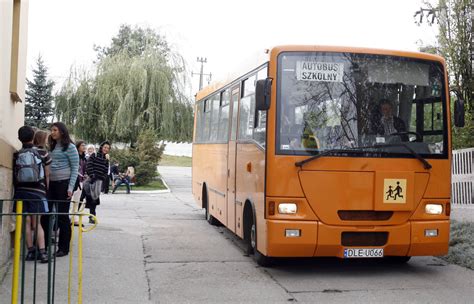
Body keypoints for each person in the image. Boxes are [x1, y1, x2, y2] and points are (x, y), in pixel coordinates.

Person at [13, 126, 51, 263]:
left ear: (19, 138)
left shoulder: (16, 154)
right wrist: (46, 190)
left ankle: (30, 251)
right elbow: (47, 174)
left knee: (26, 221)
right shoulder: (43, 153)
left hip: (21, 192)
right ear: (33, 136)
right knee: (38, 223)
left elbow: (15, 175)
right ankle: (42, 252)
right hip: (38, 192)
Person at [41, 122, 79, 258]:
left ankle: (63, 248)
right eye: (51, 130)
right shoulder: (51, 146)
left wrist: (70, 187)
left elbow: (75, 168)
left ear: (62, 132)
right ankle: (43, 247)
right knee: (45, 215)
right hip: (51, 184)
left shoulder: (70, 147)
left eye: (55, 130)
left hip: (64, 184)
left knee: (62, 216)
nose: (52, 132)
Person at [85, 141, 110, 224]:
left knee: (94, 200)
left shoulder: (106, 159)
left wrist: (102, 178)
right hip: (90, 180)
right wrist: (92, 175)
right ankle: (74, 217)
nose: (106, 149)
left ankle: (92, 217)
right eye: (105, 147)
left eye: (108, 148)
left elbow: (106, 171)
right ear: (101, 147)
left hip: (98, 182)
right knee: (82, 198)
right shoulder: (94, 155)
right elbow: (89, 165)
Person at [71, 141, 87, 226]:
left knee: (77, 200)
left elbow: (84, 169)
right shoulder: (75, 156)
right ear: (78, 147)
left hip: (81, 181)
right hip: (74, 180)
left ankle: (75, 218)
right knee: (72, 200)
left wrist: (85, 175)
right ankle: (71, 217)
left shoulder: (84, 158)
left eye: (85, 145)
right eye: (82, 145)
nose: (84, 147)